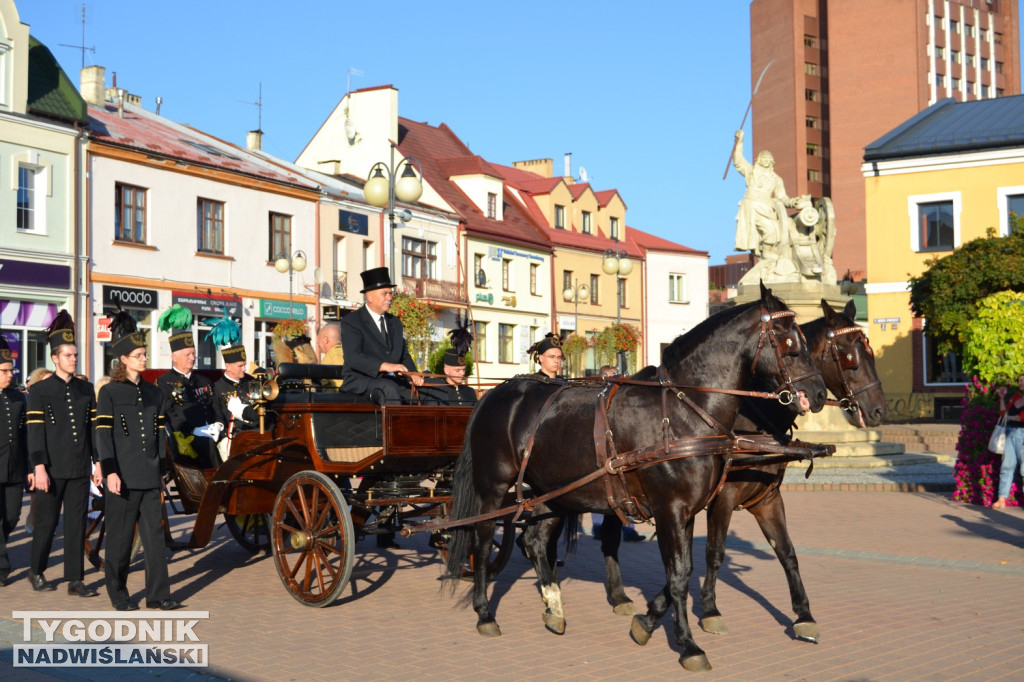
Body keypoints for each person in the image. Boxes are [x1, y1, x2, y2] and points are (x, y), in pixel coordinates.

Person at [96, 311, 181, 611]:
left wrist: (159, 473)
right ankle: (118, 593)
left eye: (144, 354)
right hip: (121, 477)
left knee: (154, 538)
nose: (144, 359)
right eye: (138, 355)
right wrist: (110, 472)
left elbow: (158, 436)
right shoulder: (108, 393)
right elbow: (103, 435)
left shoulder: (152, 392)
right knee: (119, 540)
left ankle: (158, 594)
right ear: (124, 360)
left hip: (148, 475)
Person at [26, 310, 99, 596]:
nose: (74, 359)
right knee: (46, 522)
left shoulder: (86, 389)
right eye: (68, 355)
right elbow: (35, 432)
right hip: (51, 470)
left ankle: (75, 580)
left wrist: (98, 462)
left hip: (80, 468)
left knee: (76, 524)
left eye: (76, 355)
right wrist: (39, 467)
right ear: (55, 358)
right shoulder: (40, 390)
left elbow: (93, 429)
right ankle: (36, 570)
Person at [340, 267, 423, 405]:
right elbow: (354, 357)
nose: (389, 297)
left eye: (391, 293)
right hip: (361, 380)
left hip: (392, 380)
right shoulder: (352, 322)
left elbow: (404, 356)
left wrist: (413, 374)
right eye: (384, 293)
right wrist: (385, 366)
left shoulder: (395, 322)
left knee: (429, 390)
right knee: (388, 389)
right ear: (370, 296)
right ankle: (395, 427)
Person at [155, 305, 221, 469]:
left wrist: (218, 424)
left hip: (211, 431)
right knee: (207, 444)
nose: (192, 358)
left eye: (194, 353)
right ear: (174, 357)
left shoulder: (204, 380)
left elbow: (215, 405)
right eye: (188, 355)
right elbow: (169, 413)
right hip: (184, 435)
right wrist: (194, 430)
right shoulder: (164, 382)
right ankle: (214, 485)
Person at [590, 366, 645, 542]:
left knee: (625, 487)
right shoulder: (598, 395)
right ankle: (597, 526)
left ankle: (629, 528)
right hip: (601, 446)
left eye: (616, 374)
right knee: (599, 487)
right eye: (611, 375)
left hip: (619, 446)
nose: (615, 377)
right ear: (603, 377)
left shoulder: (620, 395)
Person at [0, 335, 29, 587]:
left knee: (12, 516)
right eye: (5, 371)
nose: (10, 375)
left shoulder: (19, 397)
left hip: (15, 467)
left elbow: (25, 434)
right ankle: (2, 566)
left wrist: (30, 467)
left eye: (11, 370)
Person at [212, 341, 260, 462]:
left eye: (244, 365)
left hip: (257, 431)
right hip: (235, 436)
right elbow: (218, 416)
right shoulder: (217, 387)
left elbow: (260, 409)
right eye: (240, 366)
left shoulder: (252, 383)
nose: (244, 369)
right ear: (228, 366)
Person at [993, 374, 1024, 509]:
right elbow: (1004, 414)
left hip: (1022, 435)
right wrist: (1001, 398)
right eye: (1020, 380)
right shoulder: (1016, 397)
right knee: (1006, 465)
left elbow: (1021, 417)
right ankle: (1001, 499)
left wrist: (1010, 417)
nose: (1021, 382)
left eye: (1023, 380)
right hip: (1010, 433)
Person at [316, 323, 344, 388]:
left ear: (326, 340)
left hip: (335, 397)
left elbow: (341, 385)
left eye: (319, 339)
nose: (317, 343)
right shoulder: (340, 352)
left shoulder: (334, 355)